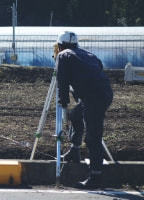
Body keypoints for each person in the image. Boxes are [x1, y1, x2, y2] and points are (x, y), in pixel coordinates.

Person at [55, 31, 113, 189]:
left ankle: (95, 177)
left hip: (93, 98)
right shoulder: (88, 54)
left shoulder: (63, 56)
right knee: (76, 115)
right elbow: (98, 68)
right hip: (104, 93)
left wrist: (64, 104)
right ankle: (75, 150)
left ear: (60, 46)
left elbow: (62, 82)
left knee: (93, 138)